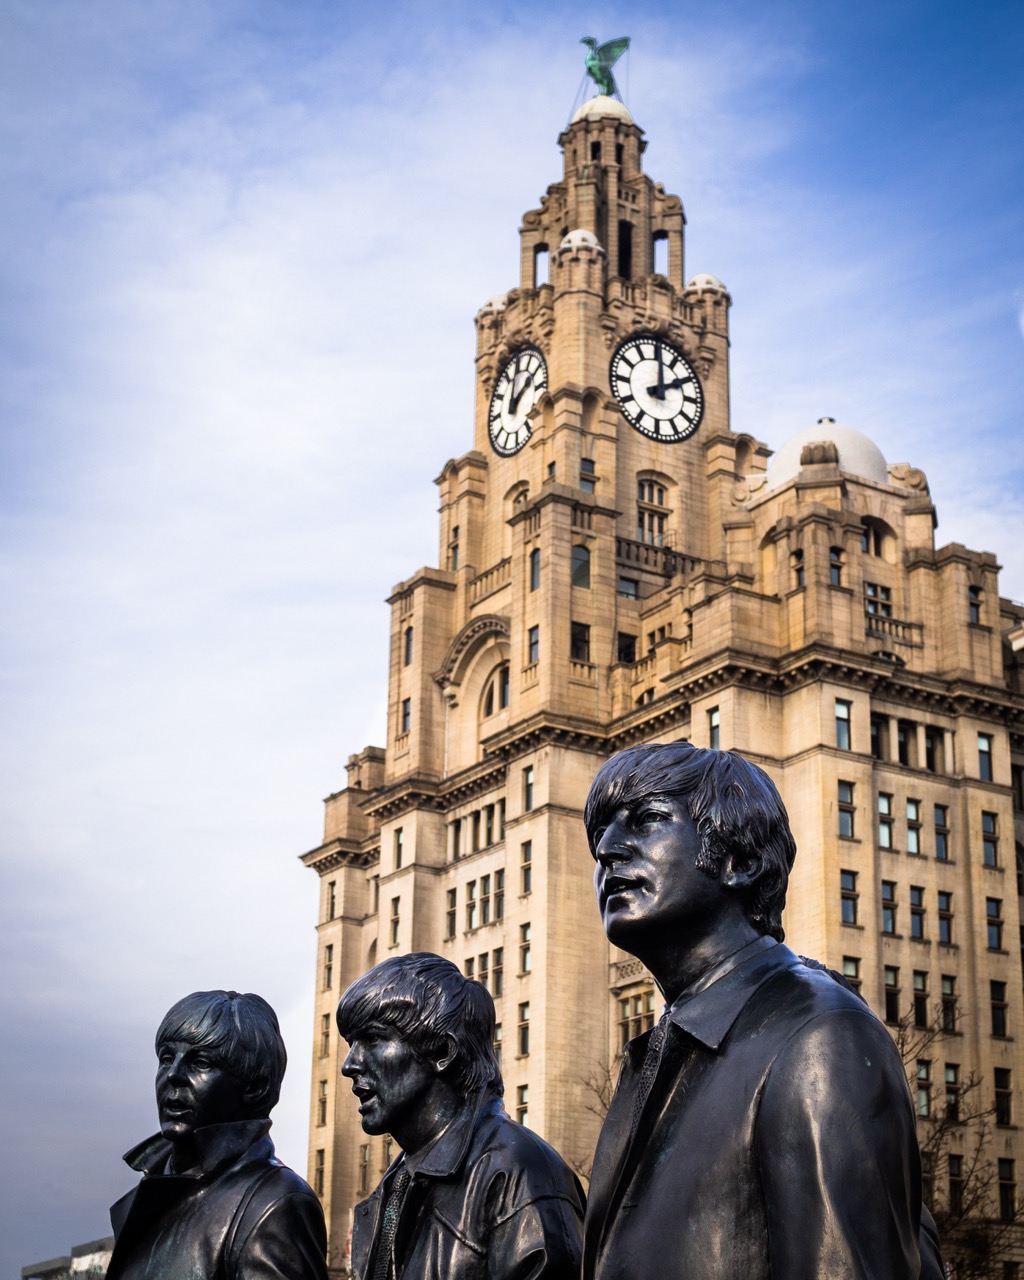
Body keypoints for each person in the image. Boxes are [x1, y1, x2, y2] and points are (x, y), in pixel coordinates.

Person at [581, 741, 943, 1280]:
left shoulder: (820, 1036)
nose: (608, 848)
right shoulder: (659, 1059)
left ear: (741, 860)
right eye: (600, 835)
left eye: (648, 820)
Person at [337, 952, 584, 1280]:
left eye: (372, 1039)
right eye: (352, 1043)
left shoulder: (518, 1172)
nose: (350, 1064)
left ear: (442, 1052)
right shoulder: (394, 1187)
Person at [107, 990, 327, 1280]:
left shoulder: (275, 1203)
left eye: (200, 1063)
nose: (173, 1075)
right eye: (166, 1058)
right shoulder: (151, 1193)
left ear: (254, 1087)